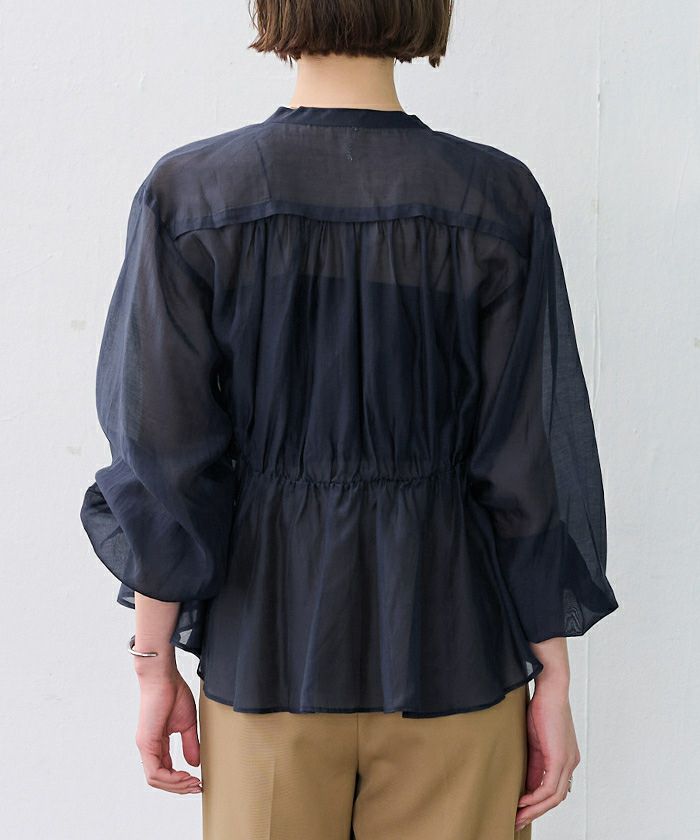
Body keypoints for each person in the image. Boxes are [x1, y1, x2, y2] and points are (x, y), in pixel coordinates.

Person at [79, 2, 620, 838]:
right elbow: (523, 461)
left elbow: (167, 465)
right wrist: (553, 671)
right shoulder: (493, 197)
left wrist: (154, 666)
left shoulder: (192, 194)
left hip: (267, 656)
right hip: (458, 651)